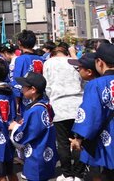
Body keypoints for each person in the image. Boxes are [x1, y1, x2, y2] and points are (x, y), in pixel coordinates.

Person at [70, 43, 114, 181]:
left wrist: (79, 138)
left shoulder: (96, 84)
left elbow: (91, 114)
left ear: (99, 62)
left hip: (107, 141)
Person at [44, 44, 84, 181]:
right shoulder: (73, 61)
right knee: (78, 141)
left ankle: (67, 174)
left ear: (52, 54)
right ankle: (79, 174)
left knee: (62, 142)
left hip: (59, 106)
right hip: (78, 104)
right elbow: (83, 79)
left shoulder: (48, 63)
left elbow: (47, 86)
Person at [9, 72, 58, 181]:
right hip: (46, 149)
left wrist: (15, 127)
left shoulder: (35, 110)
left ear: (33, 89)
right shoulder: (45, 105)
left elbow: (24, 134)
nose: (22, 89)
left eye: (24, 87)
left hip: (37, 152)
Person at [11, 30, 44, 116]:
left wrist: (17, 102)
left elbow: (16, 82)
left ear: (19, 42)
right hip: (41, 96)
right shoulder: (41, 59)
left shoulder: (21, 59)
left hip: (26, 97)